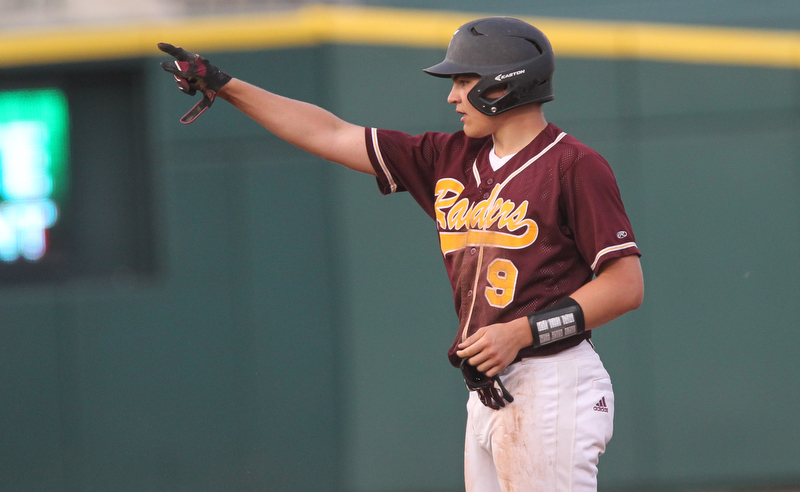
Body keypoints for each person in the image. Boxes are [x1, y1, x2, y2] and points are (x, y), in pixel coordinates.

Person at [159, 15, 643, 492]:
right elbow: (328, 134)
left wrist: (521, 333)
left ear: (505, 84)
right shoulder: (447, 157)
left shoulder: (572, 164)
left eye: (464, 80)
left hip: (552, 379)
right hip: (492, 389)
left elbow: (625, 286)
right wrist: (223, 85)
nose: (452, 96)